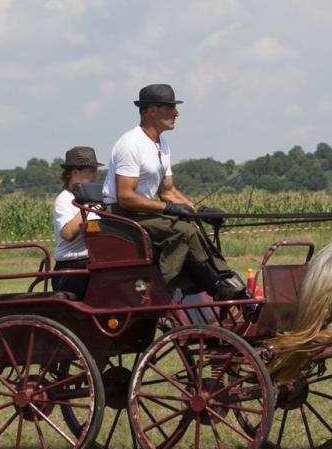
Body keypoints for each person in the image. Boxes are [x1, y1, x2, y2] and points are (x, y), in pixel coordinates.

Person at [102, 83, 248, 301]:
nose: (176, 113)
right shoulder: (131, 144)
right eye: (170, 107)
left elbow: (168, 191)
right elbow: (125, 197)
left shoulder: (162, 144)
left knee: (193, 224)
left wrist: (200, 212)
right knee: (182, 230)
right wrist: (168, 208)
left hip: (141, 211)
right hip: (119, 215)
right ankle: (175, 286)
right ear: (152, 110)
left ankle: (224, 277)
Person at [52, 146, 103, 298]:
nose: (95, 176)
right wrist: (87, 206)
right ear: (75, 173)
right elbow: (68, 234)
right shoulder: (64, 200)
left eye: (96, 171)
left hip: (93, 264)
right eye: (91, 171)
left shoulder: (93, 199)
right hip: (72, 270)